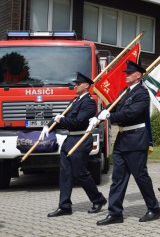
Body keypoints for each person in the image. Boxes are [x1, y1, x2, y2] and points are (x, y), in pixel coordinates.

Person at [95, 60, 160, 225]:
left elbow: (130, 114)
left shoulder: (142, 93)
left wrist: (110, 116)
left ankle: (154, 209)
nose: (126, 75)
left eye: (129, 73)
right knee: (118, 178)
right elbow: (114, 107)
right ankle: (115, 213)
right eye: (126, 73)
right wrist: (101, 113)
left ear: (138, 75)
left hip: (136, 139)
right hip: (122, 140)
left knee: (140, 176)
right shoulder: (125, 92)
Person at [47, 72, 107, 217]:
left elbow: (79, 122)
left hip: (81, 140)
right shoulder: (75, 101)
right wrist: (48, 126)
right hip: (70, 141)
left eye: (78, 84)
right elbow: (64, 116)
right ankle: (65, 206)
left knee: (80, 173)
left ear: (86, 86)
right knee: (65, 174)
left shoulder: (88, 102)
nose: (76, 86)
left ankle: (98, 199)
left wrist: (61, 120)